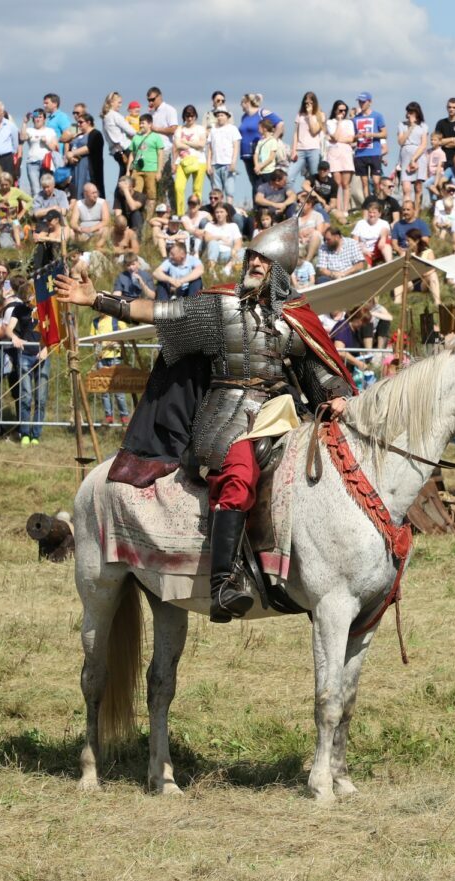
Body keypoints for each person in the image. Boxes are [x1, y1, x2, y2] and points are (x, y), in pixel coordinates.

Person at [56, 219, 353, 621]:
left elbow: (319, 371)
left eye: (264, 261)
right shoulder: (220, 307)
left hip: (283, 417)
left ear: (281, 272)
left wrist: (336, 396)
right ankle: (223, 583)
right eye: (252, 257)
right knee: (240, 471)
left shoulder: (294, 319)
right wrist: (97, 301)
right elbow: (160, 312)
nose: (255, 265)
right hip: (229, 417)